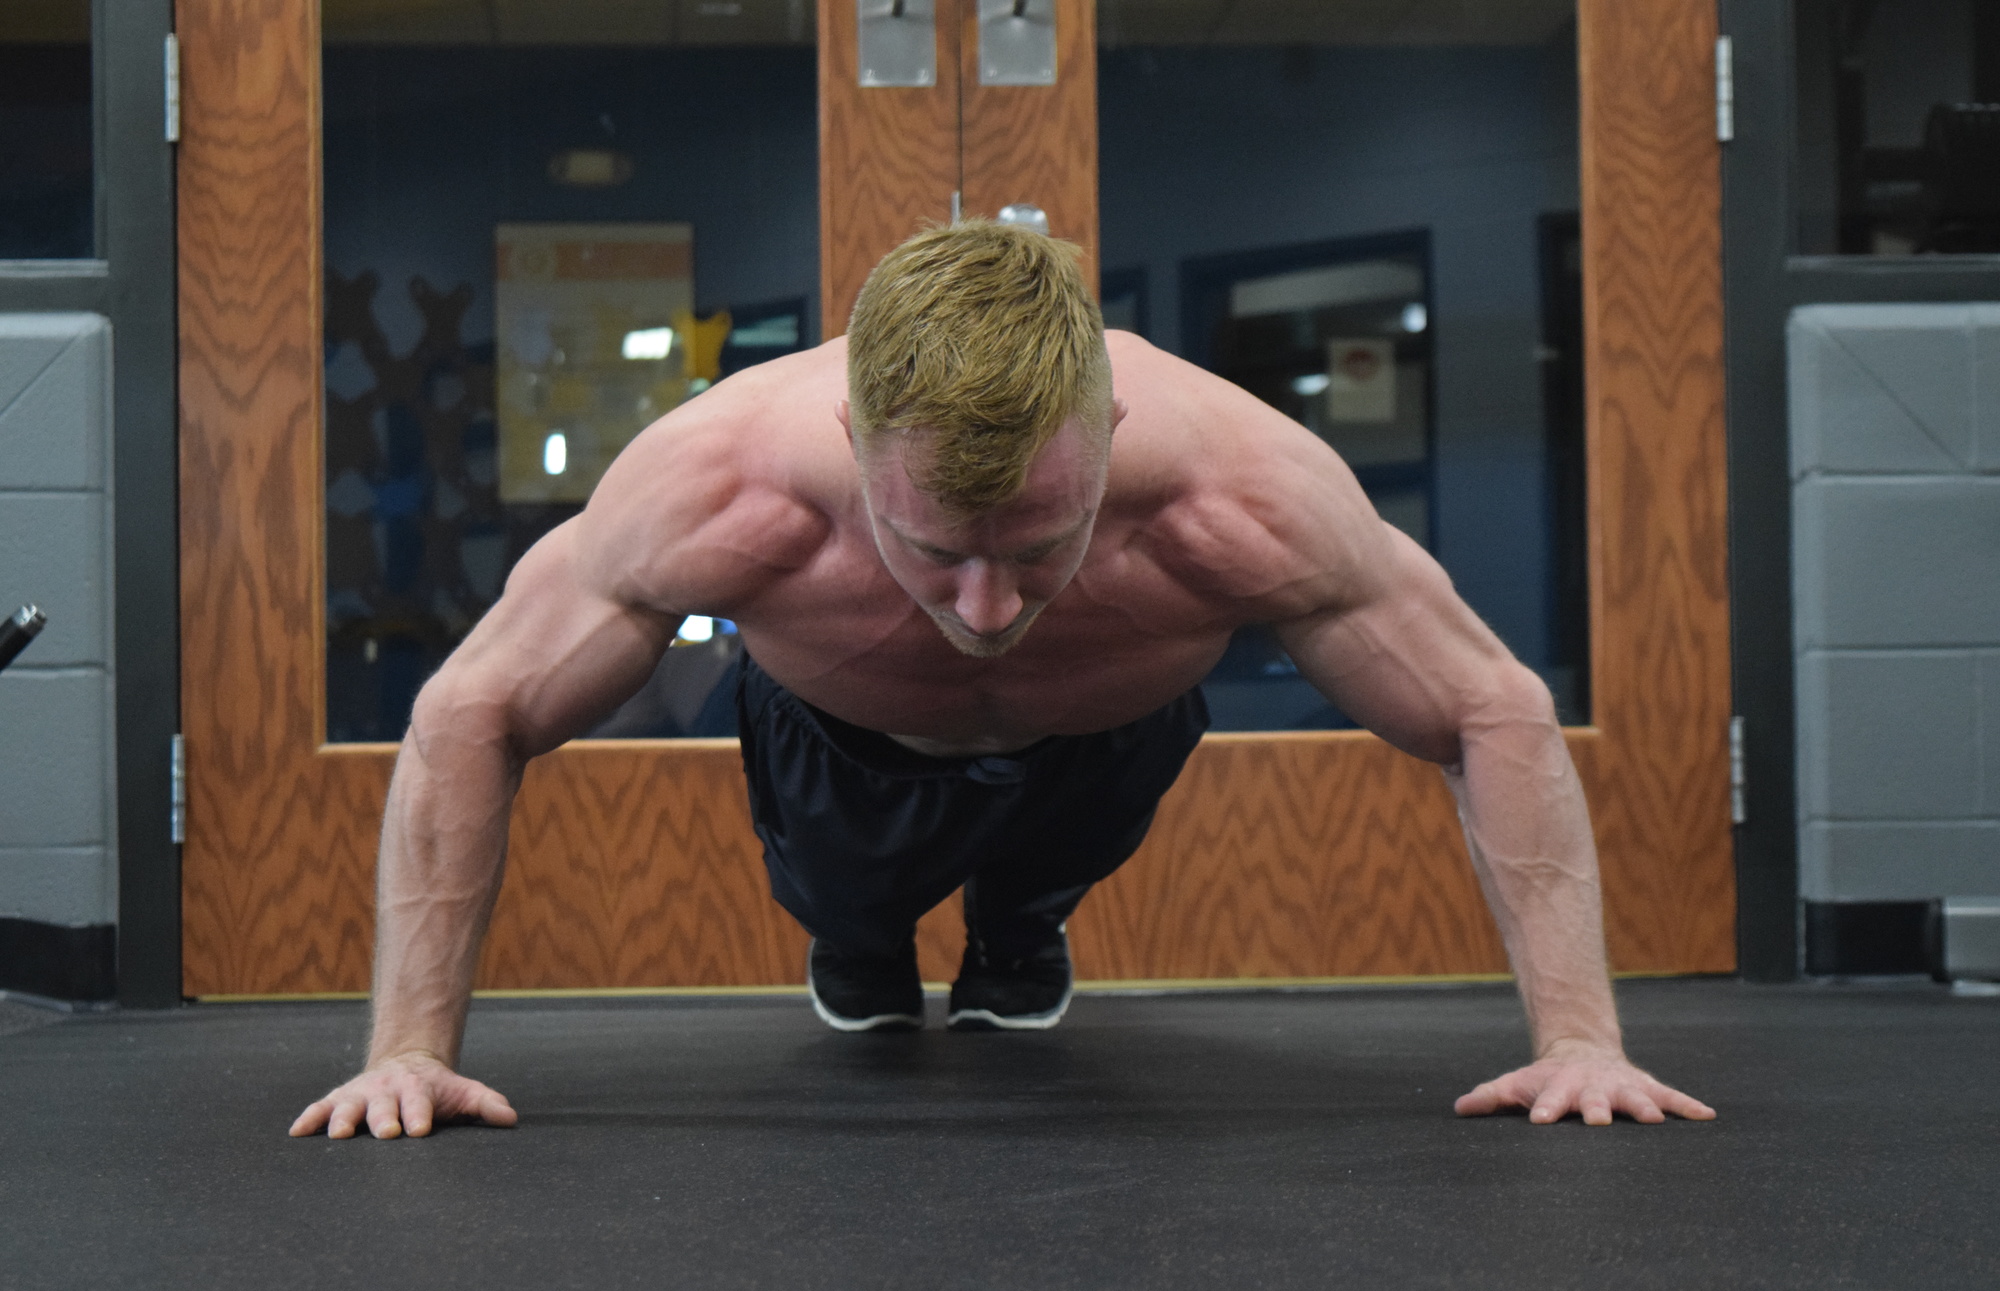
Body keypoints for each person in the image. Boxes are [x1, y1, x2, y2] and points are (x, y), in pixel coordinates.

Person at [291, 221, 1715, 1141]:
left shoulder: (1245, 490)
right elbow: (471, 708)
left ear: (1114, 425)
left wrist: (1580, 1040)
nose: (989, 610)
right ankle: (864, 938)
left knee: (1050, 859)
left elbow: (1489, 704)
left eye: (1041, 547)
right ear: (854, 435)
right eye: (933, 548)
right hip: (840, 738)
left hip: (1108, 737)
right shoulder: (720, 483)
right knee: (853, 919)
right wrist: (407, 1049)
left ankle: (1019, 923)